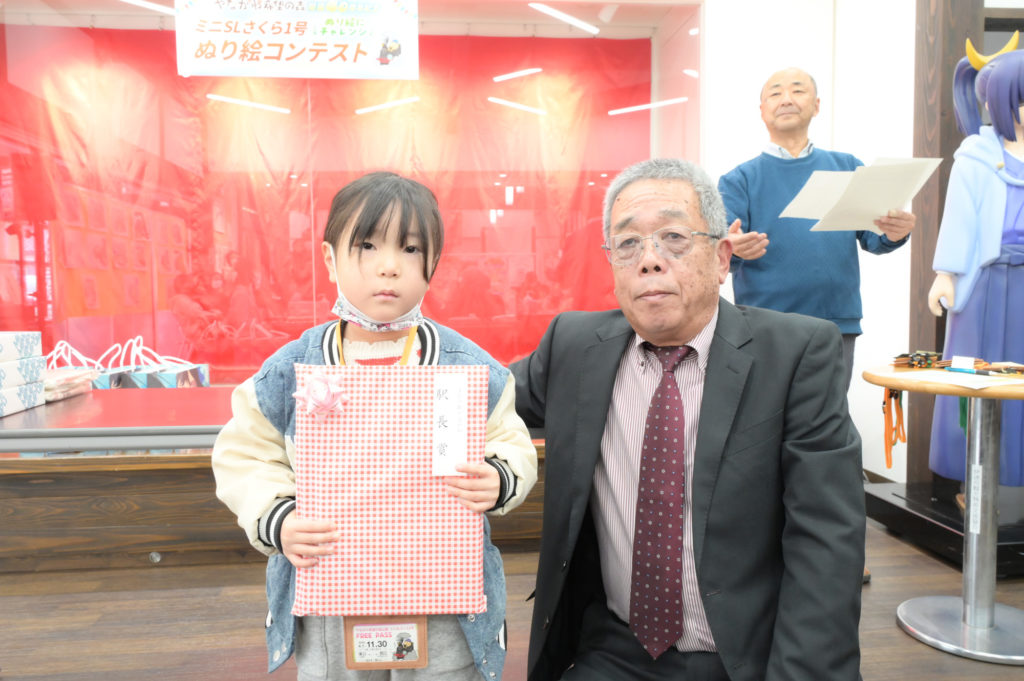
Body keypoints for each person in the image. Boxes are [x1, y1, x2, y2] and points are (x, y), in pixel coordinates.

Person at [511, 158, 865, 681]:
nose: (649, 261)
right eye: (627, 244)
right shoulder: (573, 346)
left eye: (674, 238)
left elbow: (827, 543)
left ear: (721, 258)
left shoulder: (796, 354)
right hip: (613, 647)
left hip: (745, 655)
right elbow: (473, 399)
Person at [212, 171, 538, 680]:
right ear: (329, 259)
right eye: (367, 245)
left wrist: (499, 475)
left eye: (410, 248)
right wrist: (279, 518)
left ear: (433, 262)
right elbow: (245, 454)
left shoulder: (467, 366)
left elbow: (510, 440)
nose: (389, 266)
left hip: (440, 592)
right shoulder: (293, 367)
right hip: (331, 586)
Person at [718, 67, 917, 389]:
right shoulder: (738, 180)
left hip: (836, 322)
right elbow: (721, 251)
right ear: (762, 110)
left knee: (828, 414)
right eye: (775, 93)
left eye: (798, 90)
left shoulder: (848, 167)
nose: (786, 99)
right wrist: (733, 247)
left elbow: (875, 238)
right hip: (764, 325)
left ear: (817, 105)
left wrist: (895, 232)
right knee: (764, 415)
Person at [927, 39, 1024, 489]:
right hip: (986, 284)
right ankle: (975, 479)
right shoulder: (976, 156)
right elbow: (960, 221)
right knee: (975, 376)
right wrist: (945, 274)